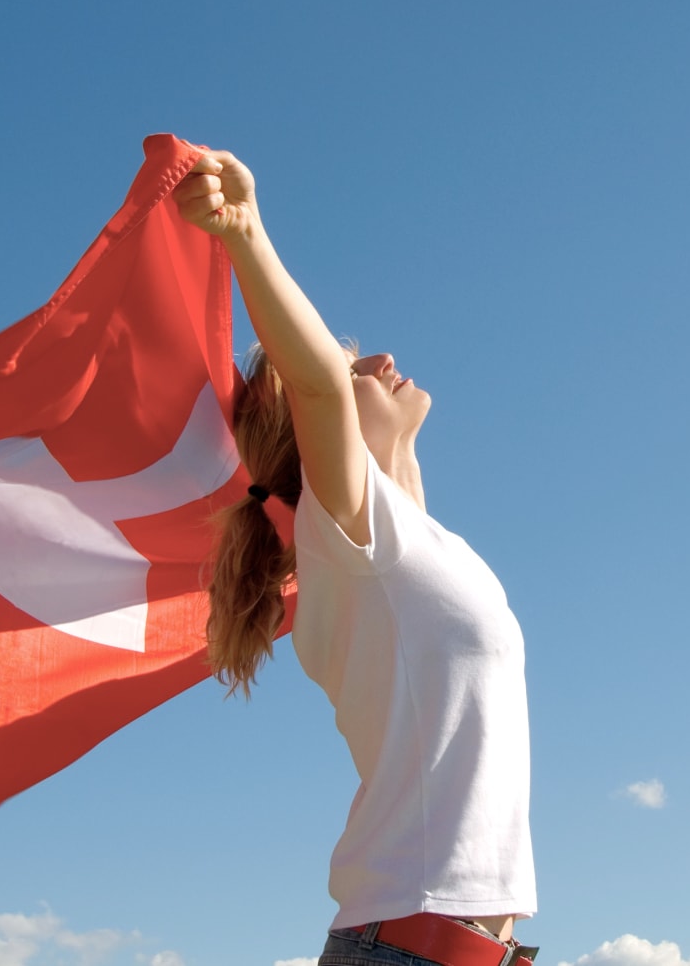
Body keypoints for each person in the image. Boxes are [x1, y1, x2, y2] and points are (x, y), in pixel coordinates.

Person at [175, 151, 538, 966]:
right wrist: (245, 235)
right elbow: (314, 390)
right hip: (411, 950)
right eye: (350, 366)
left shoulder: (410, 547)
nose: (377, 361)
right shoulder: (348, 534)